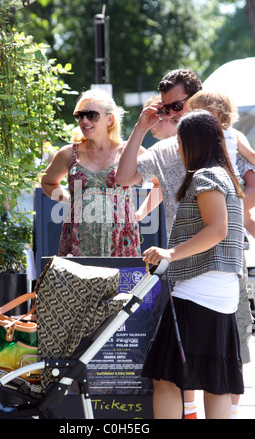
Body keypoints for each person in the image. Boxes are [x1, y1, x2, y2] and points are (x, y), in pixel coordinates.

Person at [115, 68, 255, 418]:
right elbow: (122, 178)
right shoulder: (207, 160)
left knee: (176, 374)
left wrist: (171, 251)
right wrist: (140, 128)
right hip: (208, 276)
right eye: (165, 109)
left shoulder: (219, 156)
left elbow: (219, 227)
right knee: (215, 376)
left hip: (204, 275)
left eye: (177, 107)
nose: (172, 117)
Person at [141, 109, 245, 419]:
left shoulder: (206, 175)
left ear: (193, 142)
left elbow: (217, 229)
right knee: (216, 383)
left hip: (198, 291)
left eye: (180, 142)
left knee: (166, 380)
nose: (177, 149)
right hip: (221, 293)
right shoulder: (225, 174)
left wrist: (170, 253)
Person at [40, 88, 145, 257]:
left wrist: (140, 214)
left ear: (109, 119)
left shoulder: (129, 151)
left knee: (121, 283)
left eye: (92, 115)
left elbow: (159, 182)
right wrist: (71, 201)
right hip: (78, 240)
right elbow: (47, 182)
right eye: (80, 115)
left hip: (121, 241)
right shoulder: (68, 153)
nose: (84, 120)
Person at [189, 90, 255, 194]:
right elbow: (250, 155)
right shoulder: (233, 133)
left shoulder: (226, 133)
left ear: (214, 112)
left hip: (221, 181)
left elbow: (250, 155)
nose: (192, 116)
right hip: (228, 181)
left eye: (196, 112)